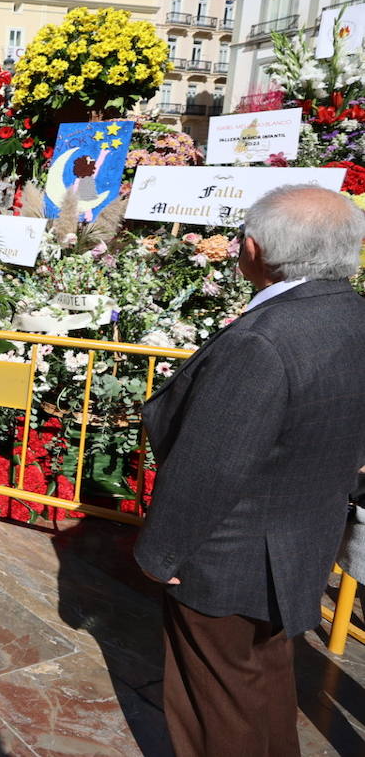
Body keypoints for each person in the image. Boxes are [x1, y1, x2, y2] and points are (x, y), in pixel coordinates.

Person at [134, 184, 365, 755]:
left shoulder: (264, 341)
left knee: (215, 706)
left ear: (254, 249)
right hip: (299, 543)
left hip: (230, 558)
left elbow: (209, 465)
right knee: (261, 686)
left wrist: (162, 553)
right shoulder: (350, 313)